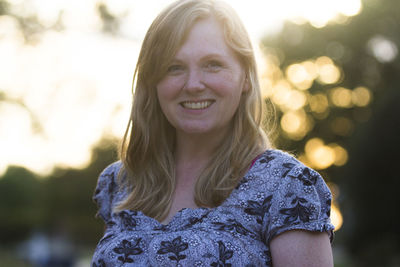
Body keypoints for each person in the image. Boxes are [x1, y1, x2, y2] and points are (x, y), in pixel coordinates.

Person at [92, 0, 334, 266]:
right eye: (174, 67)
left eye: (213, 64)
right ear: (153, 82)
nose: (193, 84)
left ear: (245, 77)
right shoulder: (122, 181)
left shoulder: (288, 186)